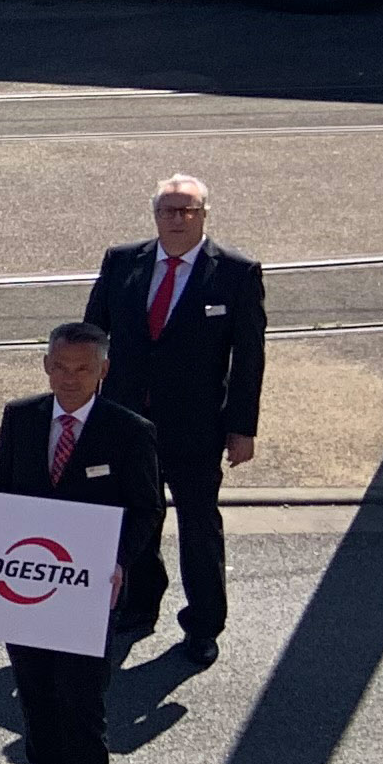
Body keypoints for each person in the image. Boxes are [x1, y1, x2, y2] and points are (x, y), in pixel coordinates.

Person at [0, 324, 169, 764]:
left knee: (82, 710)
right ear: (45, 364)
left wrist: (118, 564)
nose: (69, 379)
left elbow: (147, 508)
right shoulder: (23, 417)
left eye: (83, 369)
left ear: (103, 371)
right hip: (26, 592)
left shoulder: (129, 431)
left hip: (87, 596)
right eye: (59, 367)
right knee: (34, 696)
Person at [84, 176, 265, 668]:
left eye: (188, 210)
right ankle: (140, 606)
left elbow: (248, 358)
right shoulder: (122, 262)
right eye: (169, 209)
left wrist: (242, 427)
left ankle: (204, 625)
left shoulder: (236, 273)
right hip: (126, 423)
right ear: (155, 214)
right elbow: (91, 336)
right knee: (134, 520)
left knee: (199, 528)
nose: (177, 218)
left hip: (197, 428)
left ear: (205, 214)